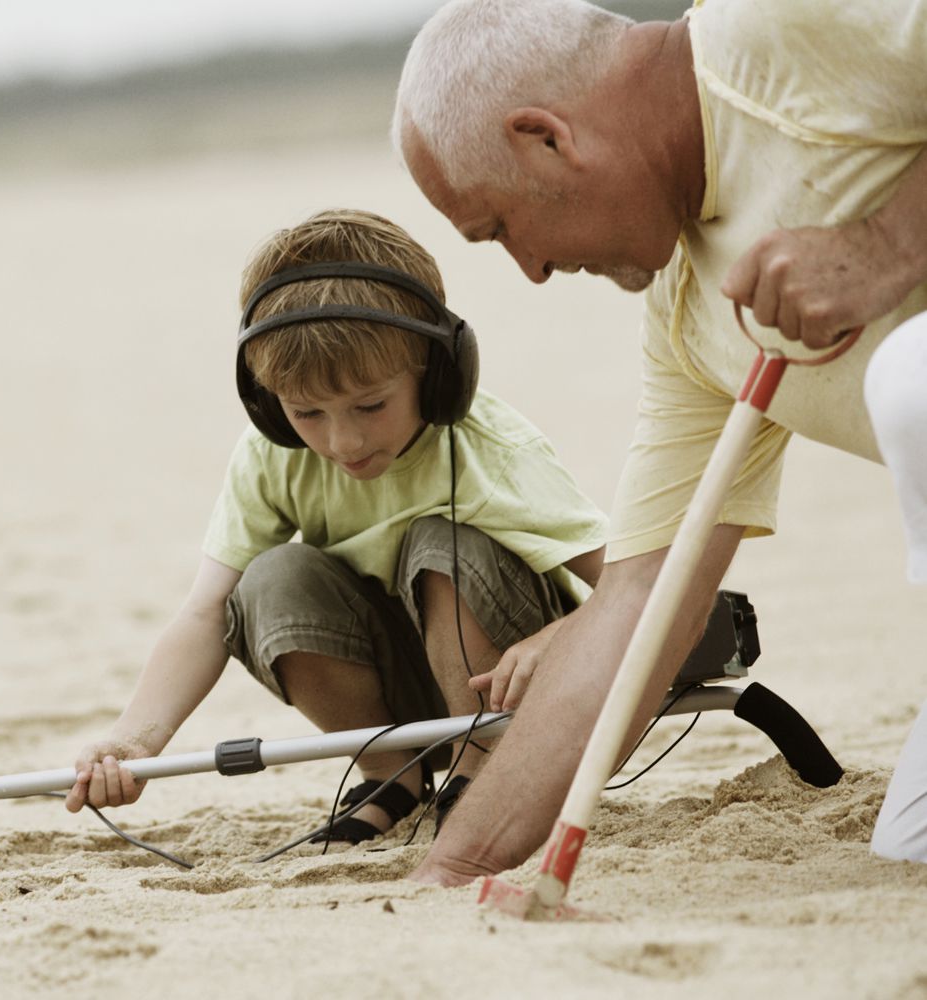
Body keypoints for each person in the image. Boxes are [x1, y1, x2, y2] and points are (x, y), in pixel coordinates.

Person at [390, 0, 927, 882]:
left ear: (546, 139)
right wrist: (451, 868)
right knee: (911, 848)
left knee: (909, 378)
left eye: (500, 230)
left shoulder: (778, 28)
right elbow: (640, 607)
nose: (529, 270)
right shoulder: (684, 319)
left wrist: (887, 243)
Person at [63, 208, 607, 844]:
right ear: (268, 403)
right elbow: (205, 613)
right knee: (270, 578)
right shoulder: (274, 455)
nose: (342, 441)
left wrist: (557, 643)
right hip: (403, 684)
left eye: (370, 405)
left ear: (438, 373)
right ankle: (389, 771)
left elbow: (650, 584)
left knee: (442, 543)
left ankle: (484, 767)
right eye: (307, 413)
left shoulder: (493, 451)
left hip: (523, 698)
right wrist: (135, 739)